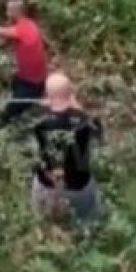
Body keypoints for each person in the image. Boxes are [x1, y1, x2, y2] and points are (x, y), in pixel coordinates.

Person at [31, 72, 103, 225]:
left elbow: (49, 118)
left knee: (43, 222)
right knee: (88, 222)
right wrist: (76, 106)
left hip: (48, 185)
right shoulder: (85, 122)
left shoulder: (39, 123)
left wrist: (50, 104)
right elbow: (98, 131)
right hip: (79, 186)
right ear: (71, 94)